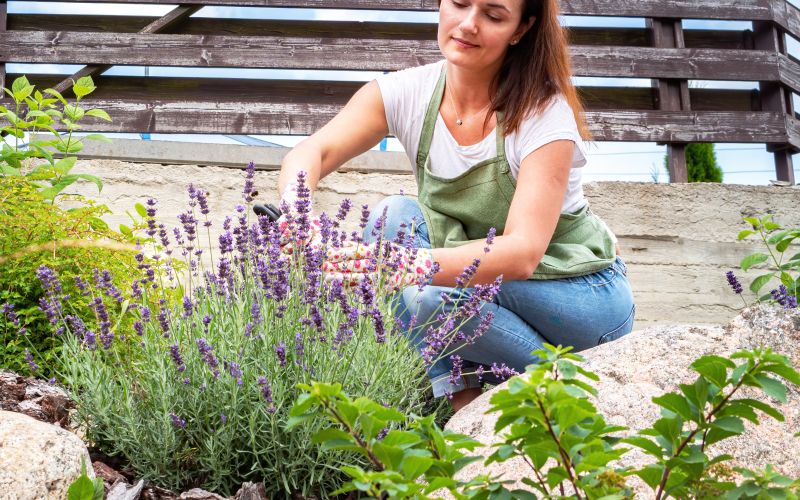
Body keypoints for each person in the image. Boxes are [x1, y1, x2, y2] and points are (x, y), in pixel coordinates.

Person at [277, 0, 635, 411]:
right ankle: (463, 411)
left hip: (579, 298)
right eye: (459, 4)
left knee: (423, 296)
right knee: (392, 220)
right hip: (494, 287)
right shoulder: (407, 92)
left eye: (493, 15)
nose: (468, 24)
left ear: (521, 28)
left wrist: (394, 264)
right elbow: (312, 151)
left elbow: (522, 254)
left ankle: (569, 387)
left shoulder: (543, 113)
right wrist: (296, 215)